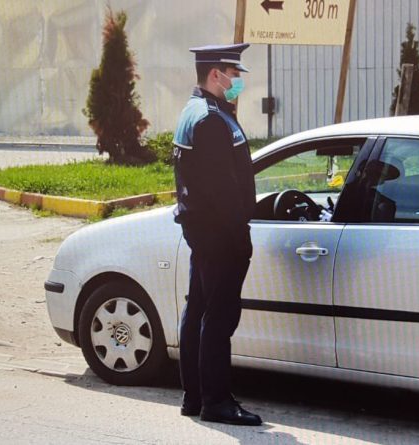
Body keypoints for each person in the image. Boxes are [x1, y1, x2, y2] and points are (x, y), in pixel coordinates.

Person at [172, 43, 260, 426]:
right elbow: (222, 190)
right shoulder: (210, 120)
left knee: (199, 310)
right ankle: (217, 401)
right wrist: (240, 237)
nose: (237, 80)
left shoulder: (196, 111)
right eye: (234, 73)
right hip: (219, 234)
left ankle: (194, 396)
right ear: (215, 74)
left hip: (203, 231)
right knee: (219, 317)